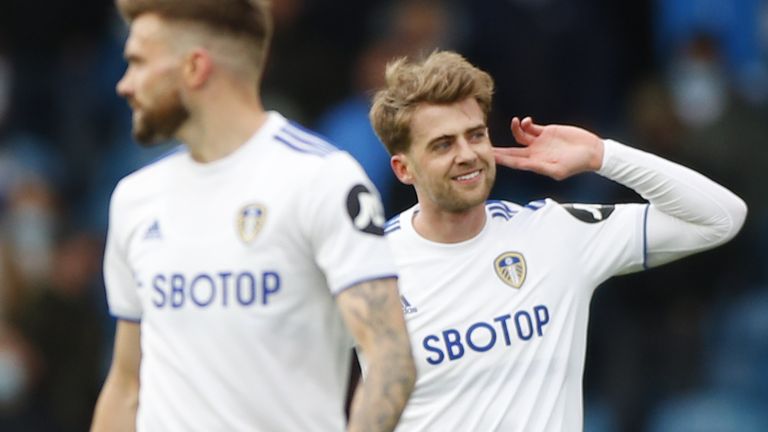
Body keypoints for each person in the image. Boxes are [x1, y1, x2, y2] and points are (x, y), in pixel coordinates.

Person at [368, 51, 747, 431]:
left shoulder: (554, 233)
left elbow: (719, 218)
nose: (467, 154)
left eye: (476, 135)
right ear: (404, 168)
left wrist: (603, 155)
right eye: (443, 144)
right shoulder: (367, 267)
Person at [90, 1, 416, 431]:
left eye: (137, 62)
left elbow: (391, 358)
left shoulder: (320, 178)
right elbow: (127, 384)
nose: (125, 85)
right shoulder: (134, 198)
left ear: (194, 67)